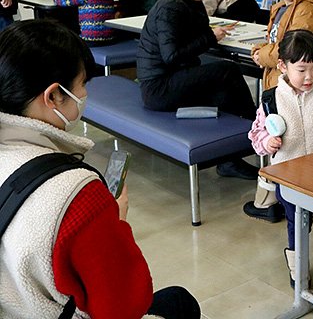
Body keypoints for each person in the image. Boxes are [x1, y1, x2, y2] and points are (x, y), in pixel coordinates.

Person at [0, 19, 200, 319]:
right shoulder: (78, 196)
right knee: (181, 303)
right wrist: (115, 221)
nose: (84, 95)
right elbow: (124, 307)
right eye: (82, 84)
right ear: (53, 96)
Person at [137, 0, 259, 180]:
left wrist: (209, 36)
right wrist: (210, 38)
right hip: (158, 88)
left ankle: (229, 158)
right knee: (228, 71)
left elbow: (195, 35)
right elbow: (172, 56)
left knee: (222, 88)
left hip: (173, 78)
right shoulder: (170, 8)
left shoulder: (191, 3)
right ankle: (256, 126)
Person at [249, 30, 313, 286]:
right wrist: (267, 142)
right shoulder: (271, 99)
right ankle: (298, 263)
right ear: (283, 66)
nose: (309, 77)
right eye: (301, 70)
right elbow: (256, 134)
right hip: (289, 178)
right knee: (298, 222)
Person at [243, 0, 313, 222]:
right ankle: (276, 200)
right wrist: (265, 50)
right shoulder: (282, 7)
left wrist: (262, 54)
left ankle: (293, 200)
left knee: (302, 140)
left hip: (304, 86)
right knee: (280, 139)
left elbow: (295, 49)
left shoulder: (308, 9)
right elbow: (276, 42)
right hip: (283, 85)